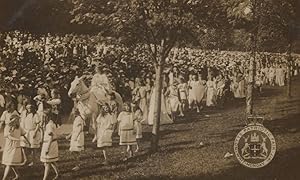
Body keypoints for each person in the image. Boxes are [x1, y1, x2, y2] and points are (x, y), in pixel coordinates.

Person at [2, 114, 27, 180]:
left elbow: (23, 134)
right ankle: (12, 176)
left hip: (16, 147)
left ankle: (5, 178)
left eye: (18, 120)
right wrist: (19, 139)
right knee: (10, 163)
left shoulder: (19, 127)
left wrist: (27, 141)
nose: (17, 121)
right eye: (16, 120)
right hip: (9, 147)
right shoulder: (7, 127)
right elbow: (9, 137)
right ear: (12, 120)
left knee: (11, 163)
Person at [40, 112, 59, 180]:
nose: (43, 118)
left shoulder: (49, 125)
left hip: (50, 144)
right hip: (50, 143)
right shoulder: (50, 124)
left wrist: (47, 148)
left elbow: (51, 137)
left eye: (44, 117)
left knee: (47, 162)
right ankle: (58, 174)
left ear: (48, 117)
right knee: (51, 161)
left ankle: (44, 178)